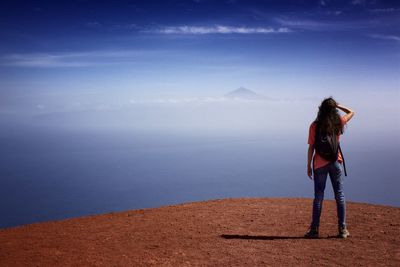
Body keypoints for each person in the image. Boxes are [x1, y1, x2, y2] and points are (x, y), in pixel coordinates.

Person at [305, 97, 355, 239]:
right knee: (339, 194)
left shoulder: (314, 125)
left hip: (319, 165)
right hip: (335, 162)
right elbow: (352, 112)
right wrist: (339, 106)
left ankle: (314, 230)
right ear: (333, 110)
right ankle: (342, 229)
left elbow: (311, 147)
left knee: (318, 197)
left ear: (321, 109)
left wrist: (308, 165)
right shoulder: (337, 123)